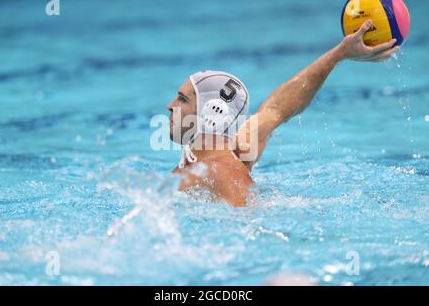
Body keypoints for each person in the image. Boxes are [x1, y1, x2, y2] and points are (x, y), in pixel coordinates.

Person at [167, 20, 399, 206]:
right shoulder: (239, 148)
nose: (170, 105)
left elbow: (249, 228)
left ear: (212, 113)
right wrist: (339, 53)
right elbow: (277, 108)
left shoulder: (221, 171)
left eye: (183, 98)